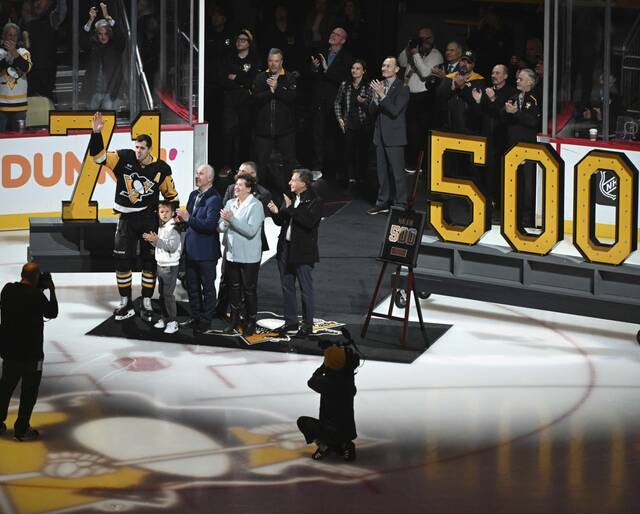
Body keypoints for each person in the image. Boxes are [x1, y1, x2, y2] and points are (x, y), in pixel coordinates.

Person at [89, 111, 180, 322]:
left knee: (149, 261)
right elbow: (98, 157)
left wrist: (169, 219)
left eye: (142, 148)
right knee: (122, 261)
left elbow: (171, 195)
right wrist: (96, 133)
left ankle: (147, 302)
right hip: (126, 220)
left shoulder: (161, 168)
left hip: (148, 219)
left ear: (150, 149)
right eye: (136, 147)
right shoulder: (124, 157)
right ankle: (125, 302)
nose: (138, 151)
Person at [0, 262, 58, 441]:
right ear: (35, 278)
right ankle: (22, 428)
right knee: (29, 393)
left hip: (10, 352)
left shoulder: (7, 290)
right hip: (32, 355)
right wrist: (51, 290)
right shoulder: (36, 296)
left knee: (4, 389)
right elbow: (52, 312)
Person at [267, 169, 322, 337]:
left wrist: (291, 209)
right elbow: (282, 221)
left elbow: (308, 222)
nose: (290, 183)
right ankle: (290, 321)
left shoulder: (315, 201)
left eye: (293, 180)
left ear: (303, 183)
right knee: (287, 286)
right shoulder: (291, 199)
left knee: (306, 288)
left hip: (302, 251)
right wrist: (276, 212)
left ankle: (307, 325)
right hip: (285, 249)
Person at [216, 161, 272, 319]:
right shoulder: (230, 200)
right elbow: (221, 224)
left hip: (249, 251)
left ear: (250, 184)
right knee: (230, 283)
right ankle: (229, 316)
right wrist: (224, 223)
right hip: (232, 250)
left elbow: (251, 230)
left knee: (248, 288)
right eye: (236, 183)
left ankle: (249, 319)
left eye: (241, 183)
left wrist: (231, 220)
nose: (236, 186)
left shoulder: (258, 201)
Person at [176, 165, 222, 333]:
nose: (197, 176)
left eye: (201, 174)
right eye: (196, 173)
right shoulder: (193, 194)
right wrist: (180, 219)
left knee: (208, 288)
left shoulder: (215, 198)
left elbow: (210, 225)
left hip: (206, 252)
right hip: (190, 249)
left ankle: (206, 320)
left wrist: (189, 218)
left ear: (210, 178)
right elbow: (188, 219)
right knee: (192, 287)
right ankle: (195, 316)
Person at [297, 341, 359, 461]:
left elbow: (311, 381)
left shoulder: (327, 383)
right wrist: (335, 349)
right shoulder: (348, 378)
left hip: (330, 429)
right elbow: (352, 359)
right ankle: (345, 444)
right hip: (348, 430)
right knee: (340, 431)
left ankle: (325, 446)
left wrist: (323, 367)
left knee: (302, 422)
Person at [366, 56, 410, 215]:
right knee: (381, 172)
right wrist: (376, 99)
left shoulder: (403, 88)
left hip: (395, 136)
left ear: (397, 69)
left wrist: (382, 95)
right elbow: (371, 111)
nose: (384, 68)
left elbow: (394, 110)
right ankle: (382, 201)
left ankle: (401, 203)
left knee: (397, 173)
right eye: (383, 65)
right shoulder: (380, 85)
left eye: (388, 66)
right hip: (380, 135)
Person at [252, 48, 298, 196]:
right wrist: (270, 92)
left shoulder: (290, 77)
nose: (273, 64)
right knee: (261, 163)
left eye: (276, 61)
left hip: (285, 130)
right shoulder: (260, 78)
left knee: (289, 162)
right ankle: (260, 195)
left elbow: (292, 98)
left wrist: (277, 89)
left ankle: (289, 194)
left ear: (281, 61)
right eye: (271, 61)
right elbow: (255, 100)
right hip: (263, 131)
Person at [397, 27, 443, 173]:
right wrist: (409, 47)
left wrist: (416, 54)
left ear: (431, 39)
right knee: (407, 131)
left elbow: (425, 73)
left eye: (425, 38)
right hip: (408, 95)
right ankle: (408, 160)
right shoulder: (415, 51)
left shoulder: (436, 55)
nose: (422, 41)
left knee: (417, 132)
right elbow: (401, 62)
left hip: (423, 98)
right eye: (420, 38)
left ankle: (416, 164)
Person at [310, 26, 352, 180]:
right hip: (319, 100)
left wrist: (328, 70)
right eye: (332, 32)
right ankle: (317, 166)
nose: (333, 35)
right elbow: (313, 77)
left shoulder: (347, 58)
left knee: (334, 136)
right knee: (317, 133)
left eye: (337, 34)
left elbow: (345, 79)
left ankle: (334, 168)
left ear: (343, 40)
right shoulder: (322, 53)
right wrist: (314, 68)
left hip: (335, 102)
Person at [504, 68, 541, 228]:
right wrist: (506, 112)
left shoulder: (535, 99)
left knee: (528, 185)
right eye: (518, 78)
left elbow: (533, 122)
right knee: (513, 183)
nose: (517, 81)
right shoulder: (513, 97)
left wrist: (516, 113)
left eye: (521, 79)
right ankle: (513, 215)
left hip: (528, 147)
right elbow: (503, 117)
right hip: (512, 147)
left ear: (530, 82)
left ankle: (528, 216)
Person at [221, 30, 260, 174]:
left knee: (245, 133)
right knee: (228, 133)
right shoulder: (229, 58)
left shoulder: (254, 60)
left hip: (246, 101)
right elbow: (223, 78)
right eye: (238, 39)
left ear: (249, 43)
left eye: (243, 40)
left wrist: (236, 78)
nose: (239, 42)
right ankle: (227, 164)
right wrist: (242, 82)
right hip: (230, 100)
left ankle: (243, 166)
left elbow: (253, 81)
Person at [143, 201, 182, 335]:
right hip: (161, 265)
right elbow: (161, 245)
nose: (164, 214)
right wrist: (152, 240)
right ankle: (165, 318)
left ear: (172, 213)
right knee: (162, 294)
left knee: (168, 295)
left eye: (167, 211)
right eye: (161, 212)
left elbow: (171, 247)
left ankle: (173, 322)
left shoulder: (174, 227)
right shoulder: (162, 226)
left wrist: (156, 240)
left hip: (170, 267)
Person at [334, 59, 372, 190]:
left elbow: (372, 108)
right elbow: (337, 102)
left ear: (363, 71)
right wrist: (340, 118)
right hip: (349, 123)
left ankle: (362, 177)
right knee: (349, 152)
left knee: (362, 153)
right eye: (353, 68)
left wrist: (363, 102)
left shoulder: (368, 87)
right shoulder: (345, 85)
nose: (354, 71)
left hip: (363, 125)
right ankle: (351, 178)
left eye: (357, 68)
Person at [82, 4, 125, 110]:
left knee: (108, 122)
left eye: (106, 34)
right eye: (100, 34)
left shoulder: (115, 46)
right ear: (97, 34)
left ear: (109, 34)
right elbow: (82, 41)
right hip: (94, 92)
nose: (103, 36)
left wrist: (108, 18)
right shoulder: (93, 46)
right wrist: (90, 20)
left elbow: (121, 37)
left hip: (110, 94)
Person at [23, 0, 67, 101]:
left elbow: (62, 10)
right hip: (31, 71)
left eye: (41, 1)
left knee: (46, 100)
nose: (37, 4)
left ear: (49, 3)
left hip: (46, 71)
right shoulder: (27, 21)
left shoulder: (52, 19)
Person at [0, 22, 32, 132]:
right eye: (9, 35)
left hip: (20, 106)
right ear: (3, 36)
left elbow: (26, 68)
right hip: (1, 106)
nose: (12, 38)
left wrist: (14, 53)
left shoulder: (24, 52)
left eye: (14, 35)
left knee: (20, 137)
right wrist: (7, 60)